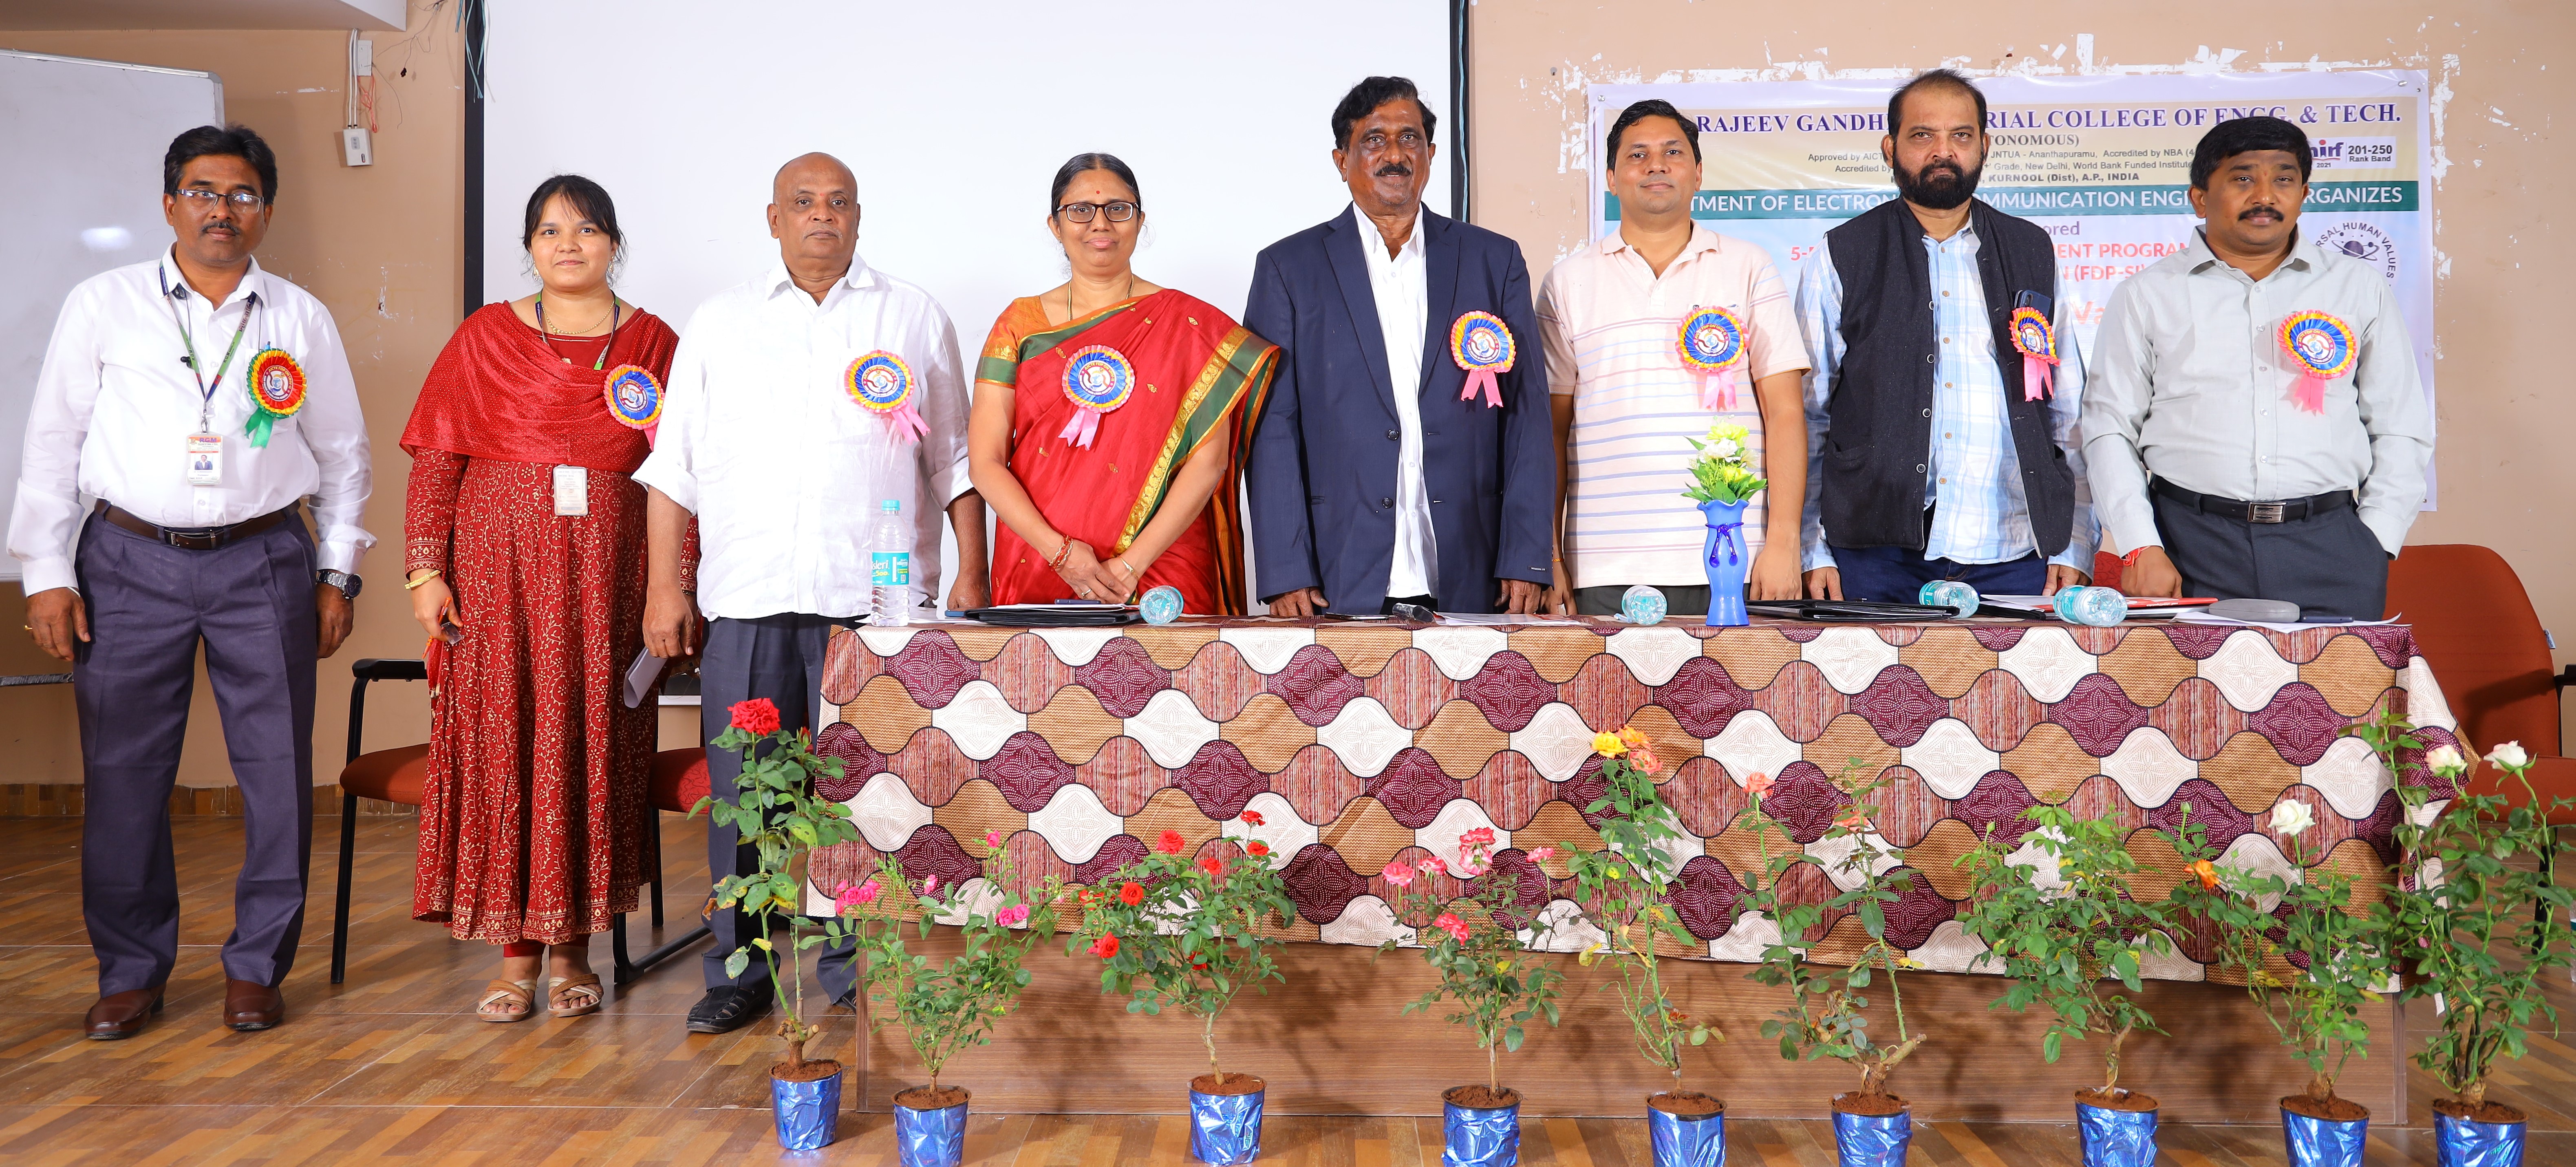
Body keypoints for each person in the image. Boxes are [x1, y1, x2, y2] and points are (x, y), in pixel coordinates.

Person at [9, 124, 373, 1038]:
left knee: (277, 773)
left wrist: (338, 571)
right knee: (124, 773)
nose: (223, 210)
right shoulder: (105, 304)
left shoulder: (298, 317)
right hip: (128, 560)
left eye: (242, 194)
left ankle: (257, 967)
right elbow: (52, 443)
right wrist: (45, 571)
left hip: (265, 559)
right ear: (170, 203)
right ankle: (131, 971)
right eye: (204, 192)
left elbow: (344, 455)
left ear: (266, 211)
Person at [633, 152, 987, 1035]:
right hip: (749, 602)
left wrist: (974, 570)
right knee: (745, 799)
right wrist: (664, 584)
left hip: (873, 610)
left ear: (859, 218)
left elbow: (953, 456)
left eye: (838, 203)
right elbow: (674, 467)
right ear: (773, 218)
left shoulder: (911, 314)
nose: (821, 216)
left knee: (866, 798)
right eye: (803, 202)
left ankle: (856, 970)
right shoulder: (720, 322)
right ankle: (741, 970)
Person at [399, 176, 681, 1021]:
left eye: (587, 229)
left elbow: (685, 474)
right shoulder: (485, 335)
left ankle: (574, 952)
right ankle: (514, 959)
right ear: (528, 246)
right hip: (497, 578)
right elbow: (437, 461)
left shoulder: (654, 342)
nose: (569, 244)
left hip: (611, 580)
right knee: (509, 747)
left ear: (614, 243)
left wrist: (678, 583)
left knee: (591, 749)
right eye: (551, 231)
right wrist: (425, 570)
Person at [2084, 116, 2430, 618]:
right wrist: (2140, 543)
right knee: (2190, 676)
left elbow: (2400, 424)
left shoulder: (2357, 287)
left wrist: (2373, 541)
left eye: (2283, 179)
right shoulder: (2146, 294)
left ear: (2303, 194)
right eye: (2242, 178)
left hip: (2331, 546)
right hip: (2187, 546)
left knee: (2338, 675)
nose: (2264, 196)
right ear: (2199, 198)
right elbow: (2107, 427)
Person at [1245, 77, 1553, 617]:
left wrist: (1526, 556)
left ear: (1430, 155)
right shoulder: (1288, 268)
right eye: (1373, 140)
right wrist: (1285, 569)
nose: (1394, 154)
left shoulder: (1493, 260)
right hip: (1337, 571)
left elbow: (1526, 414)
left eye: (1409, 138)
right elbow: (1271, 426)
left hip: (1474, 565)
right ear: (1341, 161)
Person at [1797, 70, 2097, 603]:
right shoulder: (1844, 252)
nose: (1943, 151)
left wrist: (2073, 541)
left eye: (1960, 135)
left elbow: (2067, 413)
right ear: (1889, 149)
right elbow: (1808, 414)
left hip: (2016, 551)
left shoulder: (2030, 249)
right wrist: (1810, 547)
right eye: (1922, 135)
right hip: (1872, 554)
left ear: (1984, 146)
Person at [970, 154, 1278, 612]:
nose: (1101, 223)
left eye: (1118, 208)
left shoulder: (1190, 325)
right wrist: (1059, 553)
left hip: (1163, 561)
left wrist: (1133, 563)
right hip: (1040, 557)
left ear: (1139, 220)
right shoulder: (1019, 326)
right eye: (1080, 210)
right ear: (1055, 225)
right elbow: (985, 462)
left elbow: (1209, 461)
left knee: (1174, 663)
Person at [1537, 99, 1810, 616]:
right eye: (1637, 155)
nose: (1655, 165)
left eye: (1672, 152)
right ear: (1611, 179)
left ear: (1698, 173)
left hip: (1736, 558)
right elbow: (1549, 431)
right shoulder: (1567, 282)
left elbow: (1785, 411)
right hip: (1604, 566)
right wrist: (1549, 556)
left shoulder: (1748, 266)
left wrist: (1782, 541)